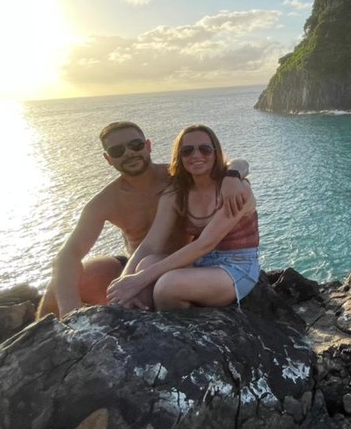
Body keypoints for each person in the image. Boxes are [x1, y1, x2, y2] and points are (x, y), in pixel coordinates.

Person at [37, 121, 251, 318]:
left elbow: (224, 163)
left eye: (136, 145)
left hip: (186, 261)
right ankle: (49, 339)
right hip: (138, 264)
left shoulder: (178, 176)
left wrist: (233, 174)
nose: (129, 153)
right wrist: (70, 312)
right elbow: (69, 254)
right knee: (57, 287)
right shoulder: (106, 201)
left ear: (148, 146)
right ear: (108, 158)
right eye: (117, 150)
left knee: (162, 284)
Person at [107, 123, 260, 310]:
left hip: (235, 267)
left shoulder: (235, 189)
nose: (196, 155)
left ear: (216, 152)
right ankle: (139, 317)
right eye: (187, 151)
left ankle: (181, 332)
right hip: (201, 263)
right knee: (146, 263)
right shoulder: (177, 193)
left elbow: (205, 243)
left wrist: (139, 280)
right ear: (179, 156)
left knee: (166, 286)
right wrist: (125, 282)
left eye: (205, 149)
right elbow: (150, 244)